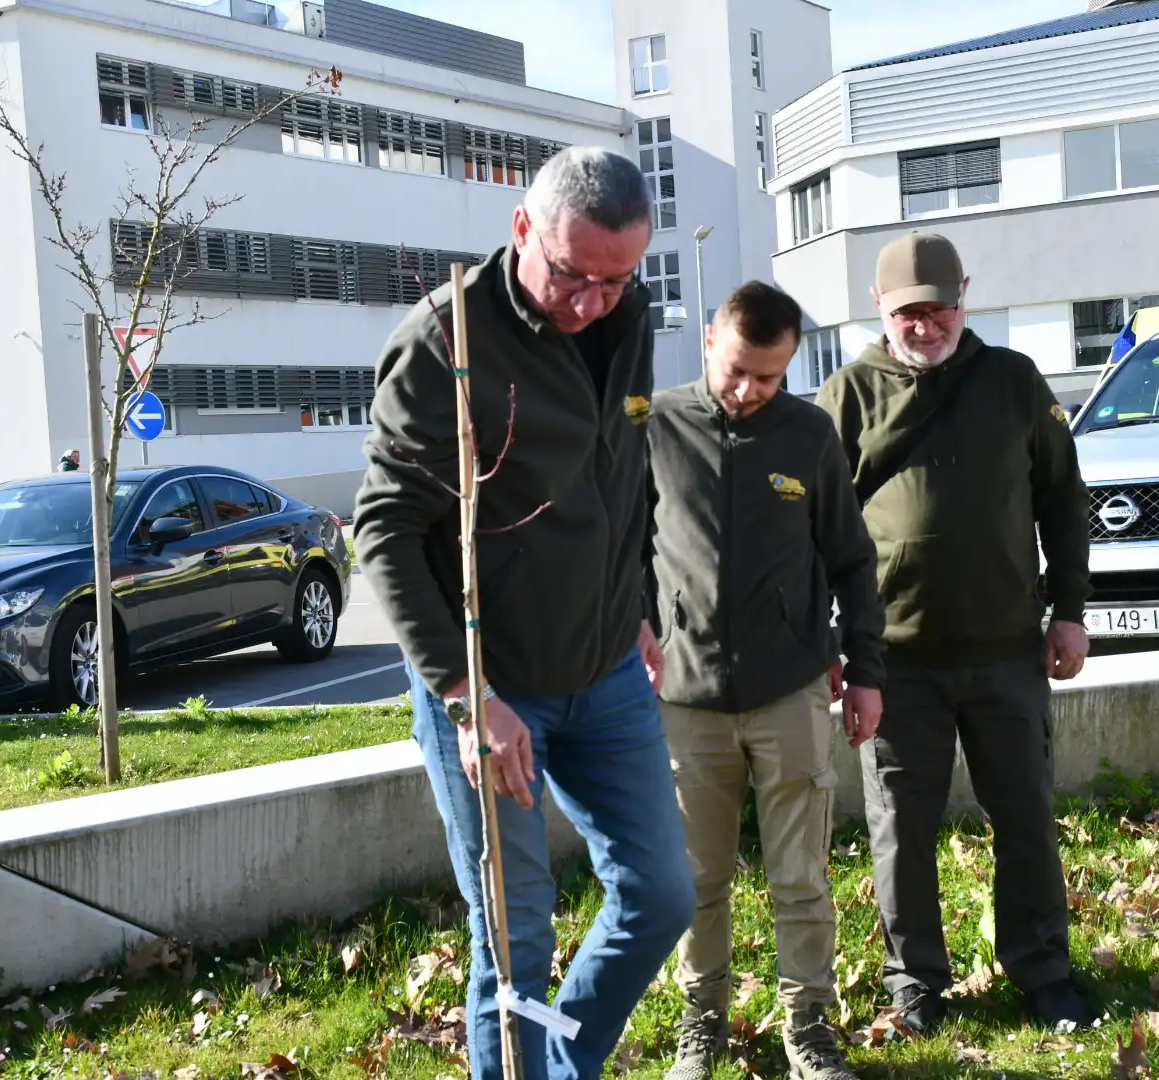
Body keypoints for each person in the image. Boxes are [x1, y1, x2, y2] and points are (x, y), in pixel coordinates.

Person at [352, 146, 696, 1080]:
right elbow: (383, 531)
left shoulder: (628, 318)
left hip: (607, 674)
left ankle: (559, 1064)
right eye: (572, 274)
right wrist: (469, 695)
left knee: (664, 895)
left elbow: (623, 474)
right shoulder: (444, 342)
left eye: (616, 280)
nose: (590, 301)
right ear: (520, 231)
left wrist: (636, 603)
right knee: (515, 934)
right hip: (491, 686)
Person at [814, 231, 1095, 1033]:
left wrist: (1069, 610)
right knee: (901, 830)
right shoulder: (849, 394)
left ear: (965, 297)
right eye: (909, 312)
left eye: (939, 310)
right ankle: (916, 982)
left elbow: (1062, 500)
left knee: (1028, 819)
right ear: (880, 307)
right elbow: (813, 528)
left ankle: (1043, 969)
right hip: (894, 661)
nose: (925, 326)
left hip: (1007, 650)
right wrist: (834, 645)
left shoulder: (1012, 381)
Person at [646, 282, 886, 1080]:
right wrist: (635, 635)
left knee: (802, 878)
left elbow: (853, 558)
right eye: (741, 370)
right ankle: (701, 1023)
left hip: (791, 691)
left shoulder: (810, 434)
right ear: (711, 338)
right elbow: (615, 552)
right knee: (696, 880)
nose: (750, 391)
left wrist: (866, 672)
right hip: (686, 698)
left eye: (771, 378)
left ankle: (809, 1028)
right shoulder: (657, 425)